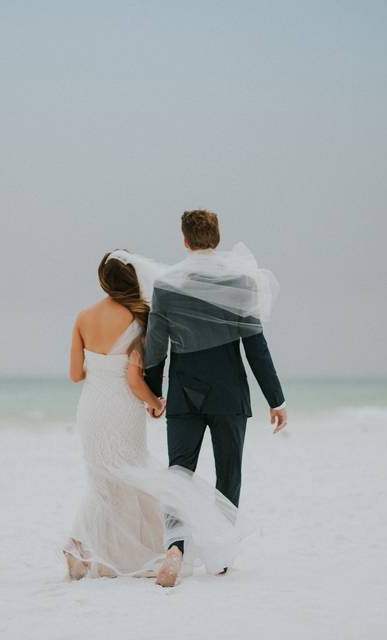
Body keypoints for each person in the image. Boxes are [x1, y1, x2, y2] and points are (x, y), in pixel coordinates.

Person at [63, 248, 253, 580]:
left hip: (92, 408)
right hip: (122, 408)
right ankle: (123, 546)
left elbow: (76, 375)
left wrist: (101, 368)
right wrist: (155, 400)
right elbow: (136, 379)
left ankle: (79, 543)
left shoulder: (83, 317)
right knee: (132, 472)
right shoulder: (140, 316)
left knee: (102, 481)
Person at [143, 209, 287, 587]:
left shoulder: (167, 284)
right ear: (217, 238)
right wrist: (276, 398)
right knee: (229, 472)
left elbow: (155, 348)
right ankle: (220, 558)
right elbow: (256, 345)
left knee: (179, 473)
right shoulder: (240, 282)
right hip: (229, 393)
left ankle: (175, 546)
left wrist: (153, 392)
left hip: (185, 394)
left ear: (185, 240)